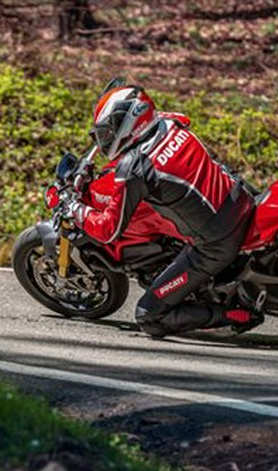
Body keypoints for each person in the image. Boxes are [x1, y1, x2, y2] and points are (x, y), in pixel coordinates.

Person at [62, 78, 263, 337]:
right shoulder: (171, 123)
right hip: (239, 196)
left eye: (109, 132)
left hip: (216, 242)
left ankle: (239, 315)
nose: (104, 140)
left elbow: (108, 230)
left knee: (148, 316)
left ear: (129, 126)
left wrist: (73, 208)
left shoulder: (135, 169)